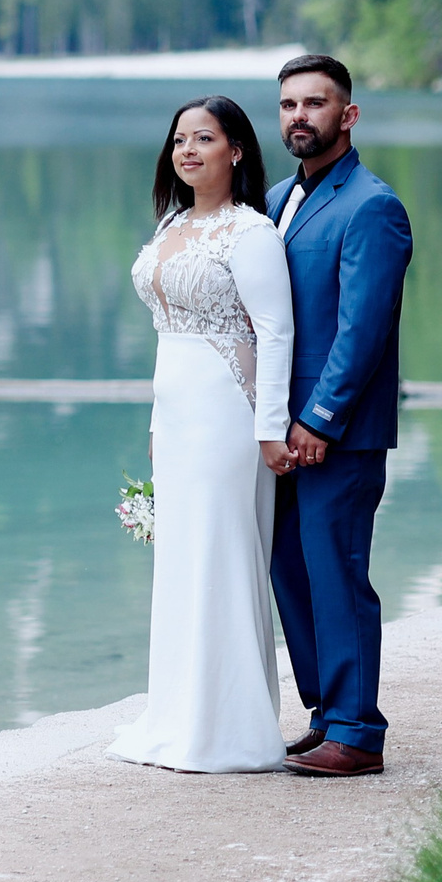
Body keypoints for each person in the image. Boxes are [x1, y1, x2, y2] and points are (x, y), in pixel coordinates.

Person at [107, 95, 297, 774]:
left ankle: (231, 729)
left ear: (236, 150)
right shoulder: (171, 224)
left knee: (221, 553)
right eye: (179, 139)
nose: (187, 150)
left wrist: (269, 426)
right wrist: (157, 423)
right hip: (179, 416)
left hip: (228, 413)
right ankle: (178, 714)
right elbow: (166, 334)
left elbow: (275, 331)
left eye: (204, 138)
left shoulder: (249, 233)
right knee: (181, 558)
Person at [265, 53, 413, 779]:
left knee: (336, 570)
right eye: (289, 103)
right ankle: (327, 711)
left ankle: (357, 730)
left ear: (347, 115)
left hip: (338, 433)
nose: (300, 115)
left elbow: (362, 328)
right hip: (276, 431)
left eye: (314, 103)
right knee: (288, 568)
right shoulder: (274, 199)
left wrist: (319, 419)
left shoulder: (371, 205)